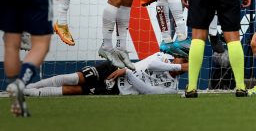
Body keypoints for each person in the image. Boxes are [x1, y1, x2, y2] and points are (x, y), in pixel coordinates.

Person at [25, 53, 188, 96]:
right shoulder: (163, 58)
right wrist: (176, 65)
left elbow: (149, 91)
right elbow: (150, 64)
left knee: (75, 90)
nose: (177, 61)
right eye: (180, 59)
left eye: (183, 63)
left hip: (118, 88)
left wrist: (128, 74)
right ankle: (32, 86)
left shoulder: (172, 88)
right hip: (114, 68)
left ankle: (31, 93)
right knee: (75, 78)